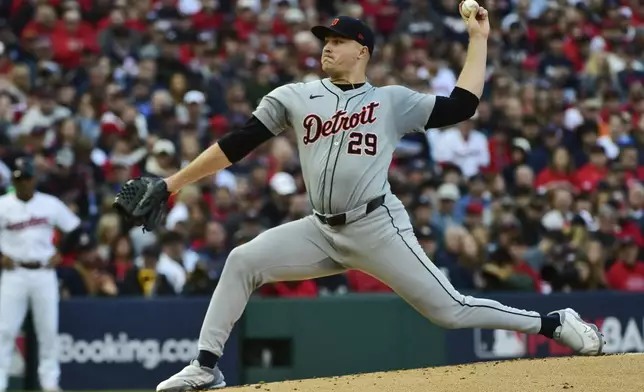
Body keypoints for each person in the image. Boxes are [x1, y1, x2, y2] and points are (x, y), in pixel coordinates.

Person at [139, 10, 603, 392]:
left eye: (337, 40)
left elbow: (463, 106)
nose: (326, 45)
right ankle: (205, 367)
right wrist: (173, 182)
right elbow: (237, 144)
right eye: (324, 38)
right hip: (320, 229)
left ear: (361, 50)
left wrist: (477, 38)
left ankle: (552, 322)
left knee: (449, 310)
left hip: (378, 227)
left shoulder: (391, 101)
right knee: (242, 260)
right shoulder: (296, 96)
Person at [0, 157, 81, 392]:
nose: (23, 183)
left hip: (44, 272)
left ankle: (49, 383)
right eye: (19, 179)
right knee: (5, 330)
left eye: (26, 178)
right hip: (14, 272)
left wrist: (61, 253)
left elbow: (75, 229)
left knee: (48, 330)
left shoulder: (49, 204)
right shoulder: (3, 204)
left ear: (34, 179)